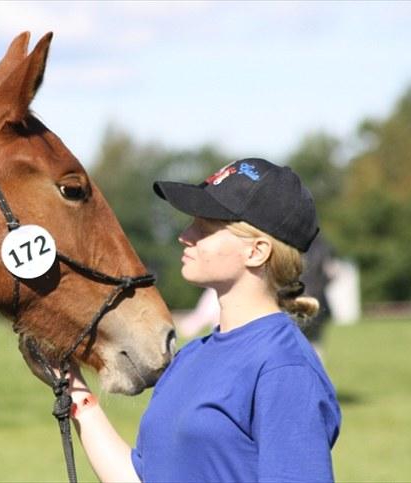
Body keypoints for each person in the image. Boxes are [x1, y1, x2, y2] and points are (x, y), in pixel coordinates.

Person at [62, 158, 341, 482]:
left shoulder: (285, 368)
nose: (185, 235)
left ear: (257, 251)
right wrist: (73, 387)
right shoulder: (191, 357)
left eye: (204, 228)